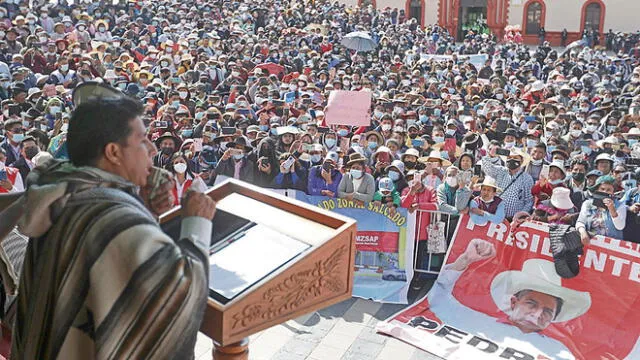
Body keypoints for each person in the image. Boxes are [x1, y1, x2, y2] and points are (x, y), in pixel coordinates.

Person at [2, 96, 217, 359]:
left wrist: (145, 208)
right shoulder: (114, 215)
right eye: (142, 140)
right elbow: (178, 298)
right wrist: (197, 222)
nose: (152, 148)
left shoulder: (63, 195)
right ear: (113, 152)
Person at [425, 239, 591, 359]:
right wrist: (466, 259)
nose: (538, 313)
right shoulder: (475, 321)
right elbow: (438, 298)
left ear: (554, 317)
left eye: (548, 311)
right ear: (513, 302)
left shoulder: (557, 351)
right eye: (531, 303)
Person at [482, 146, 534, 220]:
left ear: (521, 161)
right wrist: (491, 155)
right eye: (509, 157)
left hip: (513, 219)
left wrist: (521, 215)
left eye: (515, 157)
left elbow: (529, 201)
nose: (512, 160)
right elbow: (487, 168)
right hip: (495, 215)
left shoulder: (527, 178)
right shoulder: (501, 171)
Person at [577, 175, 627, 242]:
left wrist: (612, 209)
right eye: (602, 189)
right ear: (597, 190)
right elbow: (580, 222)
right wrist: (582, 232)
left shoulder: (620, 205)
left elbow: (620, 226)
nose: (605, 192)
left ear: (613, 192)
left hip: (612, 245)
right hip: (591, 242)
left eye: (608, 190)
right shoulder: (587, 204)